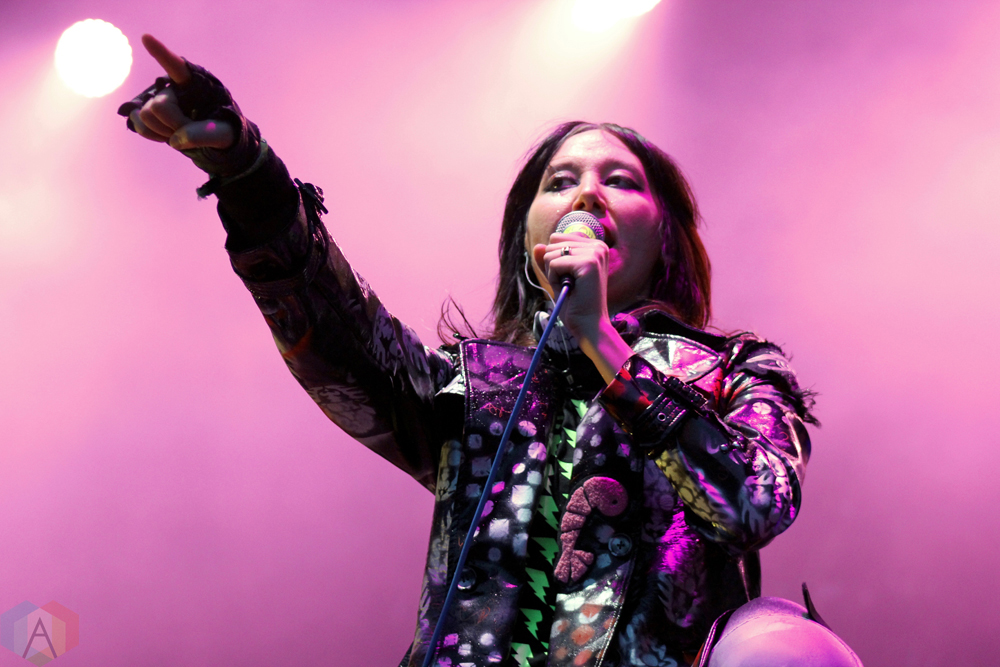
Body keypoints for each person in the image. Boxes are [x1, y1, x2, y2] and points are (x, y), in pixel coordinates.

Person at [122, 34, 862, 667]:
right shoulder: (476, 387)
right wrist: (247, 174)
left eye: (620, 181)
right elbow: (337, 334)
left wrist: (603, 343)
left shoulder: (736, 369)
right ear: (527, 239)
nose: (587, 195)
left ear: (665, 233)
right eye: (560, 182)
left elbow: (754, 504)